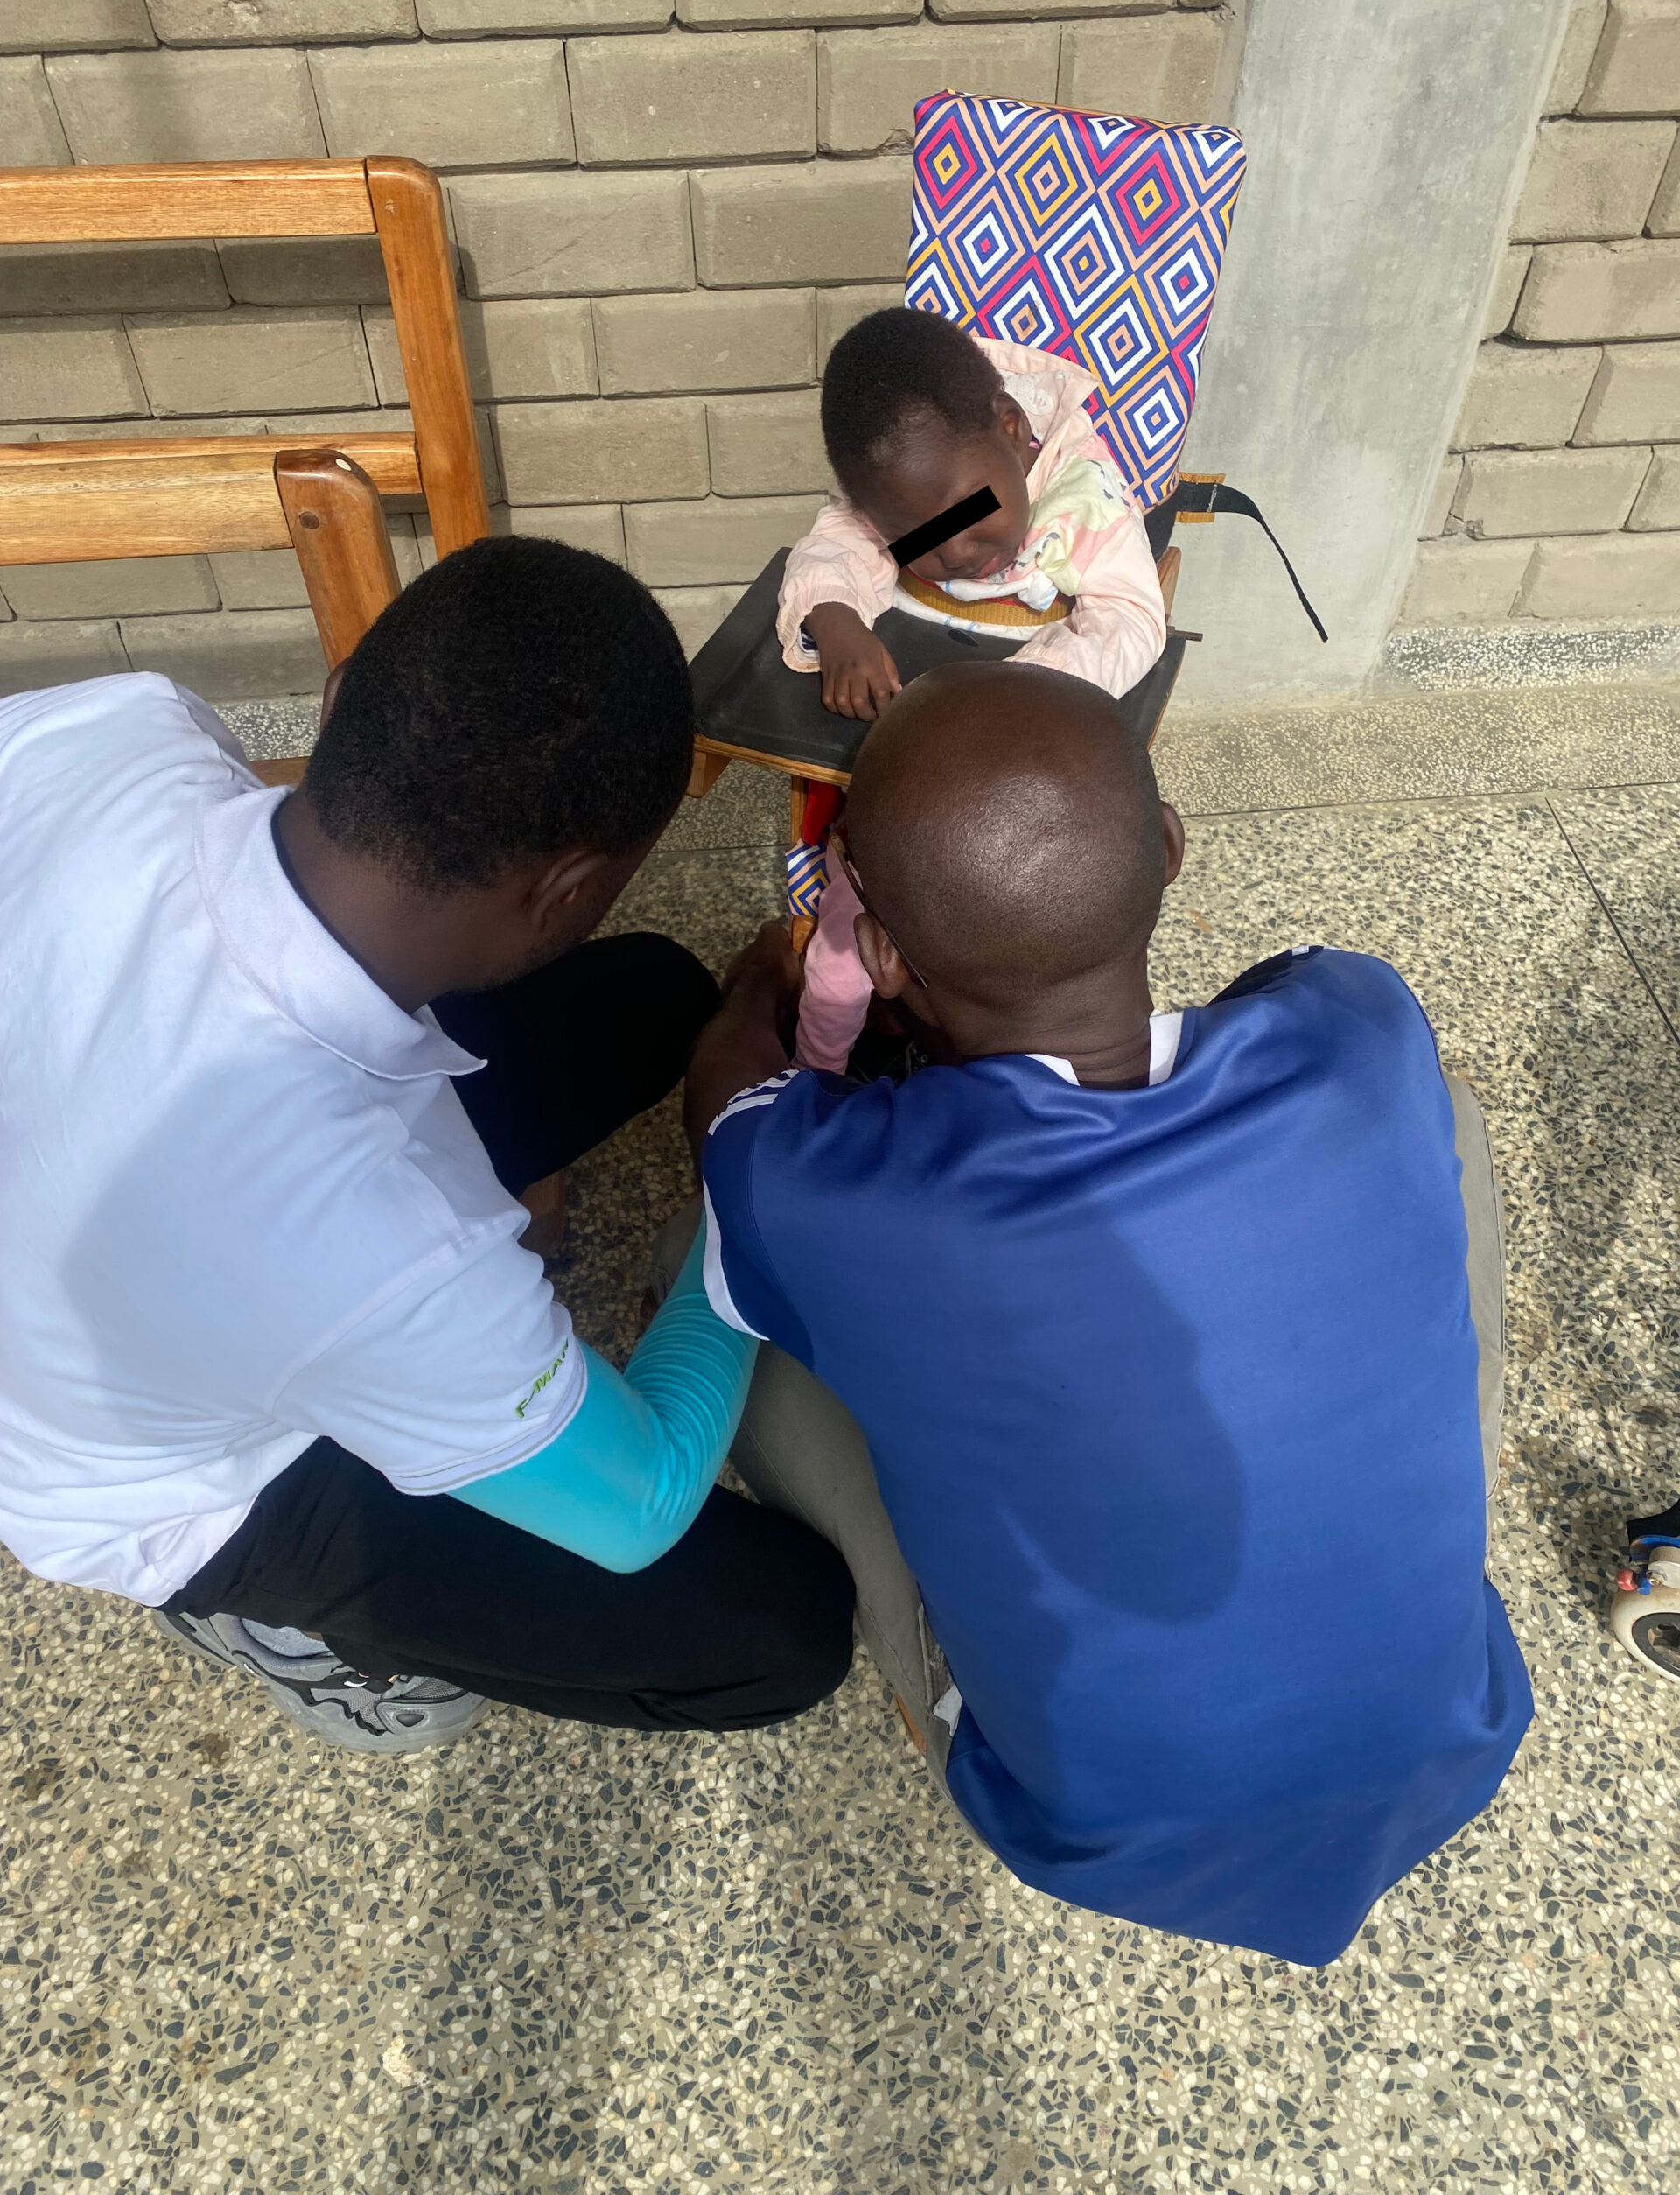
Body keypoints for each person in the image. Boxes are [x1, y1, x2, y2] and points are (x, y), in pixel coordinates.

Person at [691, 659, 1533, 1967]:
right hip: (1454, 1730)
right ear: (1173, 849)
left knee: (717, 1284)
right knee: (1441, 1114)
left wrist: (767, 972)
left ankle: (934, 1691)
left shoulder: (842, 1196)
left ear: (887, 954)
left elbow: (727, 1108)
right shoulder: (1363, 1021)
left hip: (1086, 1824)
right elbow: (1267, 993)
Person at [0, 536, 853, 1755]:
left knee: (662, 997)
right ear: (570, 889)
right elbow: (645, 1506)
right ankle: (282, 1622)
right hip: (148, 1473)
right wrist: (740, 1162)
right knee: (788, 1631)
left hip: (93, 1212)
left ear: (340, 693)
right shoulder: (381, 1251)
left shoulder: (120, 726)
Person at [774, 305, 1168, 1075]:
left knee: (1027, 966)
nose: (958, 551)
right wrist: (837, 619)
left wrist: (1028, 687)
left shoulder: (1083, 495)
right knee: (838, 963)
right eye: (921, 542)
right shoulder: (900, 489)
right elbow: (831, 550)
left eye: (972, 515)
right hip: (913, 804)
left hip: (1027, 799)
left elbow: (1130, 616)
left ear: (1014, 429)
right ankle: (815, 1081)